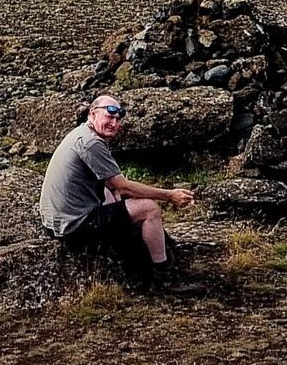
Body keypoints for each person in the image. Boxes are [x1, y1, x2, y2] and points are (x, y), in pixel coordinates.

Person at [38, 93, 196, 284]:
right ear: (92, 114)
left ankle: (154, 245)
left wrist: (116, 195)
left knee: (113, 195)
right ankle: (164, 274)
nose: (114, 123)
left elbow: (112, 185)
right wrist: (169, 195)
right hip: (73, 226)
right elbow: (124, 187)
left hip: (56, 222)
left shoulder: (81, 133)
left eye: (118, 119)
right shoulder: (91, 143)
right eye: (110, 117)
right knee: (149, 209)